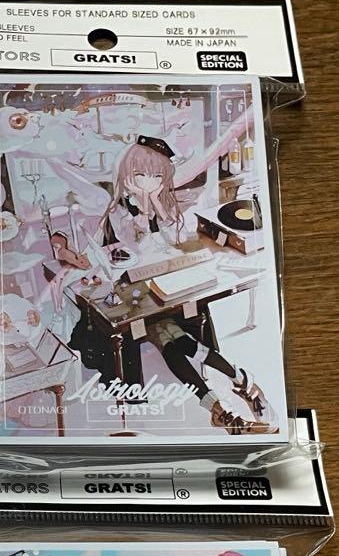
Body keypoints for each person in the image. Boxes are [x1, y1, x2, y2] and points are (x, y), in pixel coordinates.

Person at [77, 135, 273, 435]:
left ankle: (223, 403)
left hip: (167, 286)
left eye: (157, 177)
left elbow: (175, 242)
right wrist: (143, 215)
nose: (150, 183)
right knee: (171, 340)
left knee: (173, 340)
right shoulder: (118, 212)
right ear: (127, 177)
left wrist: (156, 206)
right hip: (136, 291)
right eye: (141, 176)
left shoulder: (163, 204)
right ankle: (236, 386)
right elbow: (126, 248)